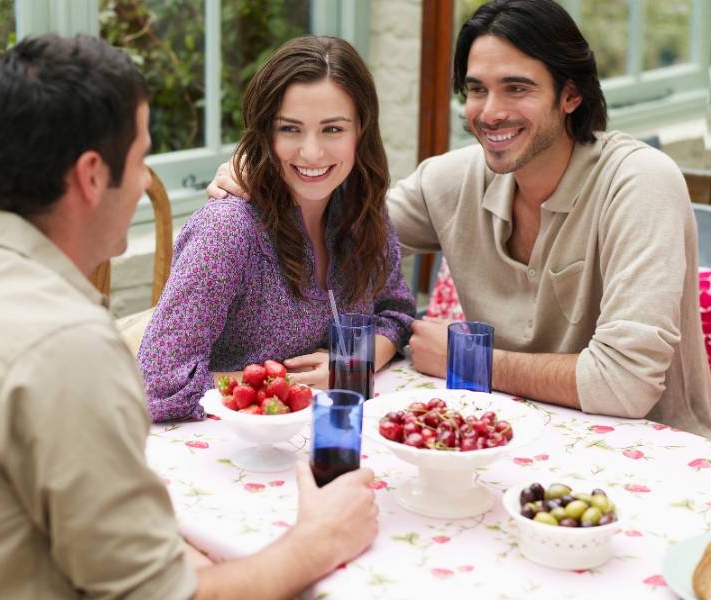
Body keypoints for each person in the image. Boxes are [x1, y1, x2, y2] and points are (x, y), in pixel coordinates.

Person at [0, 34, 379, 599]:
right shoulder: (67, 348)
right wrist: (319, 540)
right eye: (140, 160)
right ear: (90, 175)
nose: (143, 185)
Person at [207, 0, 711, 436]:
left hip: (655, 458)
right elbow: (340, 228)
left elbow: (624, 385)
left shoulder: (640, 183)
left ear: (571, 95)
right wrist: (261, 169)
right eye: (476, 89)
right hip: (506, 436)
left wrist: (466, 358)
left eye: (517, 88)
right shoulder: (451, 180)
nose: (490, 112)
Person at [138, 35, 415, 422]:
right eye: (290, 129)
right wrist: (284, 382)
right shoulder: (229, 229)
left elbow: (396, 314)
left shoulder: (362, 209)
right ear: (266, 131)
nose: (312, 152)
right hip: (229, 455)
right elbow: (156, 385)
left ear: (361, 130)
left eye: (333, 129)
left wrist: (356, 359)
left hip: (332, 440)